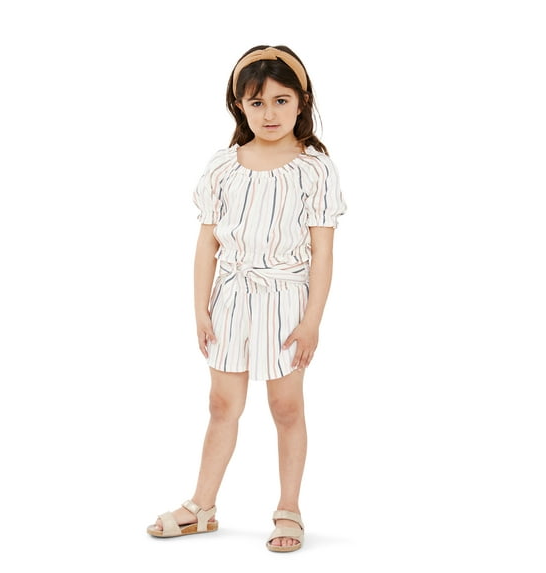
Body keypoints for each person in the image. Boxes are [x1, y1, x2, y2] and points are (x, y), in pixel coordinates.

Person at [147, 45, 346, 552]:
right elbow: (206, 246)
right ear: (239, 105)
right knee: (221, 403)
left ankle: (289, 509)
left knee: (285, 406)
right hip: (231, 299)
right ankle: (202, 506)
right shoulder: (224, 166)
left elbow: (323, 253)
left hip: (285, 299)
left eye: (281, 101)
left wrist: (312, 321)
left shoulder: (314, 168)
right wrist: (201, 309)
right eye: (256, 103)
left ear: (301, 102)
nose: (269, 113)